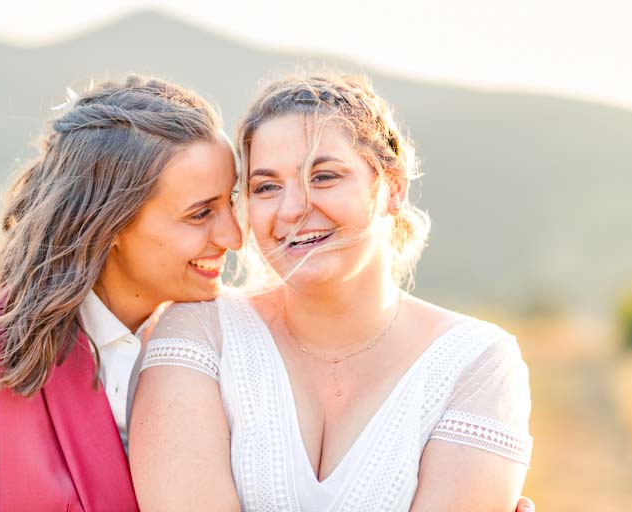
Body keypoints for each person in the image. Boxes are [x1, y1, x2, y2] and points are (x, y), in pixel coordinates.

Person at [129, 72, 533, 511]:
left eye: (323, 177)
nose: (293, 209)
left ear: (391, 188)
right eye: (266, 187)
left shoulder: (476, 362)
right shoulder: (200, 332)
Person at [0, 75, 242, 511]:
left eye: (231, 203)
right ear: (109, 223)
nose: (235, 236)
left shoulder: (232, 345)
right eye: (200, 213)